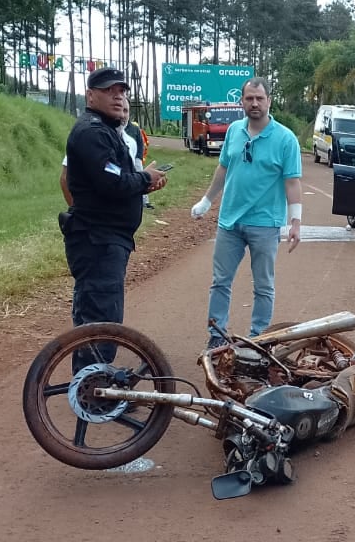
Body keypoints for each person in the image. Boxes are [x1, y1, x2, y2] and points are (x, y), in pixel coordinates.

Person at [61, 67, 167, 371]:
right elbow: (113, 182)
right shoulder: (92, 132)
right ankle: (95, 388)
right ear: (90, 95)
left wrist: (145, 181)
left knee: (96, 314)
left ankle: (91, 380)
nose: (118, 97)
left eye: (122, 91)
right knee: (101, 317)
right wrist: (142, 178)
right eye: (110, 91)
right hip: (97, 239)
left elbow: (118, 180)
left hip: (105, 239)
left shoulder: (108, 130)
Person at [190, 77, 303, 349]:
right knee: (220, 282)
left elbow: (292, 182)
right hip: (230, 222)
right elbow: (223, 169)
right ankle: (217, 337)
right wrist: (206, 201)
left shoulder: (285, 139)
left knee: (263, 286)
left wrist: (295, 222)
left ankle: (258, 340)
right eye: (249, 98)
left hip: (265, 224)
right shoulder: (233, 131)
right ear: (242, 101)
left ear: (269, 101)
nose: (254, 103)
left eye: (259, 98)